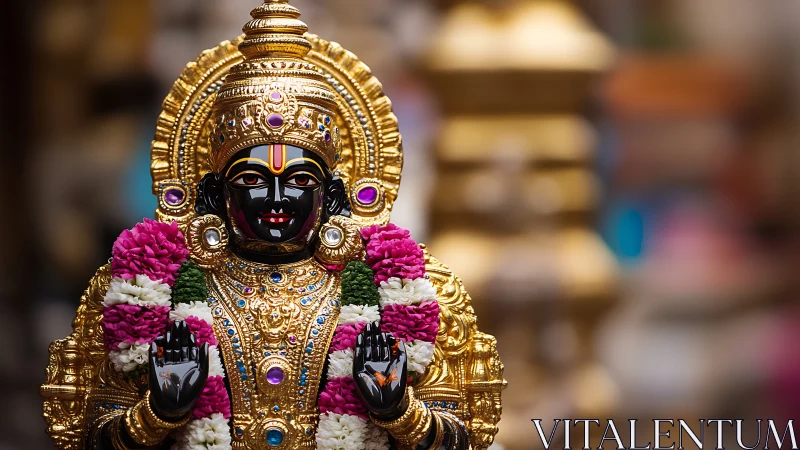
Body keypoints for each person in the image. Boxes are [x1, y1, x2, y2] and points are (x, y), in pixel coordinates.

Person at [41, 1, 505, 449]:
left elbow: (463, 434)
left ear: (331, 194)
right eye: (252, 180)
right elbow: (87, 433)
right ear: (217, 192)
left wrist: (397, 410)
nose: (278, 198)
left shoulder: (399, 292)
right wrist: (159, 412)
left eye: (300, 180)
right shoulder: (149, 292)